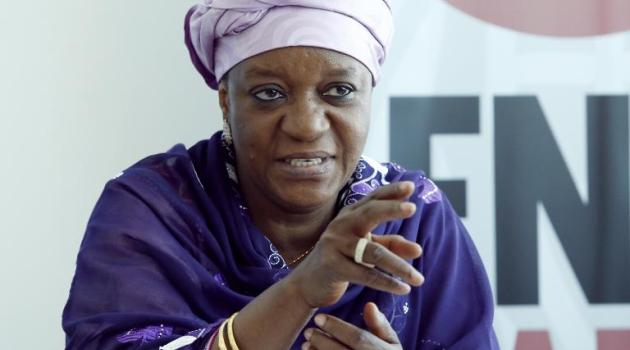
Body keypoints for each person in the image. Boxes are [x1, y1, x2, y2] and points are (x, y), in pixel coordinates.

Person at [62, 1, 499, 349]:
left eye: (339, 91)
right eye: (269, 94)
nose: (306, 125)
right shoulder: (154, 210)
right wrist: (301, 291)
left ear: (368, 97)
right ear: (225, 101)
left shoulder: (413, 218)